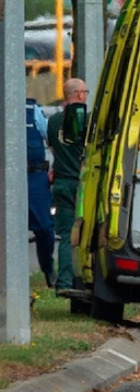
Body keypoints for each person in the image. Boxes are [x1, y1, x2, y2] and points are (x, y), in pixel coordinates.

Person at [47, 78, 89, 295]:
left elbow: (53, 148)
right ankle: (82, 279)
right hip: (80, 185)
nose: (87, 95)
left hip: (61, 183)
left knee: (65, 234)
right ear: (79, 95)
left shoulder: (53, 121)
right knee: (85, 233)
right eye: (86, 92)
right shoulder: (86, 120)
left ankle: (63, 283)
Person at [27, 98, 56, 288]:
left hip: (34, 177)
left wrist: (57, 166)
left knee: (45, 228)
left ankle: (48, 269)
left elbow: (50, 138)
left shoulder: (32, 109)